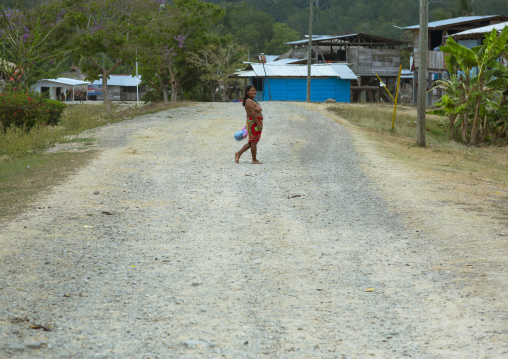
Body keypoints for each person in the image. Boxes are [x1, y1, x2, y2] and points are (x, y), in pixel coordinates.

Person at [235, 85, 263, 164]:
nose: (254, 92)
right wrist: (258, 124)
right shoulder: (248, 101)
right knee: (253, 141)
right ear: (247, 92)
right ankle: (254, 160)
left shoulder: (252, 100)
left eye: (255, 90)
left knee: (253, 141)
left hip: (255, 123)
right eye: (252, 90)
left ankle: (239, 153)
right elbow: (252, 114)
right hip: (254, 123)